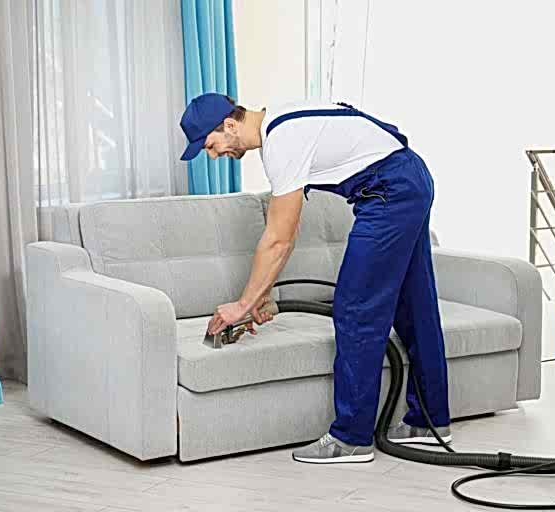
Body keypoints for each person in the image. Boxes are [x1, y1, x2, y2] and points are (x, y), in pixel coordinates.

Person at [179, 93, 452, 464]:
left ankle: (351, 438)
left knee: (355, 310)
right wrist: (259, 296)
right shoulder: (284, 121)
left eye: (211, 146)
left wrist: (242, 305)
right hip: (410, 179)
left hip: (390, 194)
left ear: (229, 125)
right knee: (414, 306)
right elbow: (285, 234)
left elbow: (279, 239)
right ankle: (429, 422)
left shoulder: (281, 142)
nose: (214, 156)